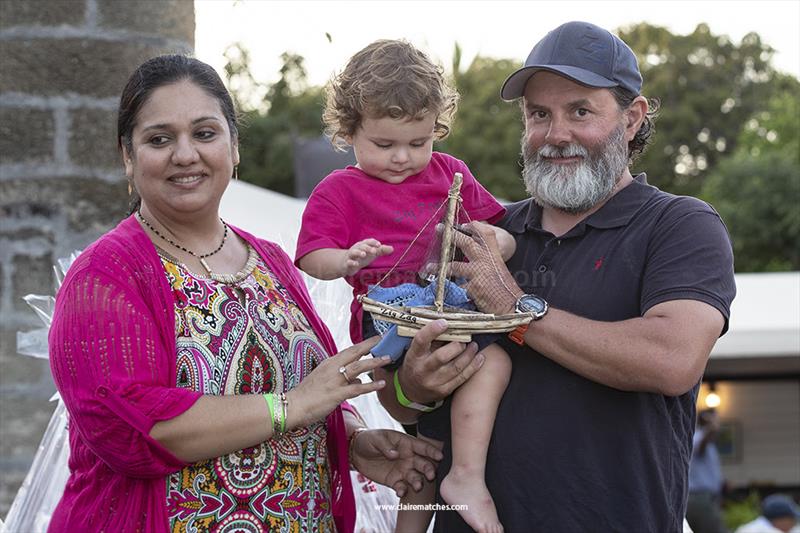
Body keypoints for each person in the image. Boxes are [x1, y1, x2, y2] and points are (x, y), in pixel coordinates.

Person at [45, 54, 457, 533]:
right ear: (128, 157)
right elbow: (132, 428)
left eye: (204, 133)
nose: (185, 154)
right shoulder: (105, 276)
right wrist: (290, 407)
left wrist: (354, 440)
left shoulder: (271, 262)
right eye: (159, 139)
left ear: (234, 146)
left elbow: (309, 389)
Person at [375, 21, 737, 532]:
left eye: (580, 111)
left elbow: (671, 358)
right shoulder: (484, 234)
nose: (556, 134)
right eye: (539, 114)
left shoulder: (680, 225)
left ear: (632, 119)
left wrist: (516, 309)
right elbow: (400, 401)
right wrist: (414, 383)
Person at [295, 39, 514, 533]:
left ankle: (458, 477)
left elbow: (497, 230)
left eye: (418, 143)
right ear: (349, 131)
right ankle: (465, 475)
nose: (402, 158)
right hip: (387, 316)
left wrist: (499, 241)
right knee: (478, 367)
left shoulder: (450, 173)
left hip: (447, 305)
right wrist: (346, 259)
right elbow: (312, 257)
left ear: (436, 127)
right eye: (385, 144)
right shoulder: (339, 190)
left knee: (426, 442)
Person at [687, 409, 728, 533]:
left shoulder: (709, 444)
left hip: (705, 498)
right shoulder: (698, 437)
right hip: (699, 499)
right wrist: (712, 426)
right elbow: (701, 444)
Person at [736, 494, 800, 533]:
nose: (793, 524)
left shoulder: (753, 526)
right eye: (792, 519)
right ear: (779, 519)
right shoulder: (757, 530)